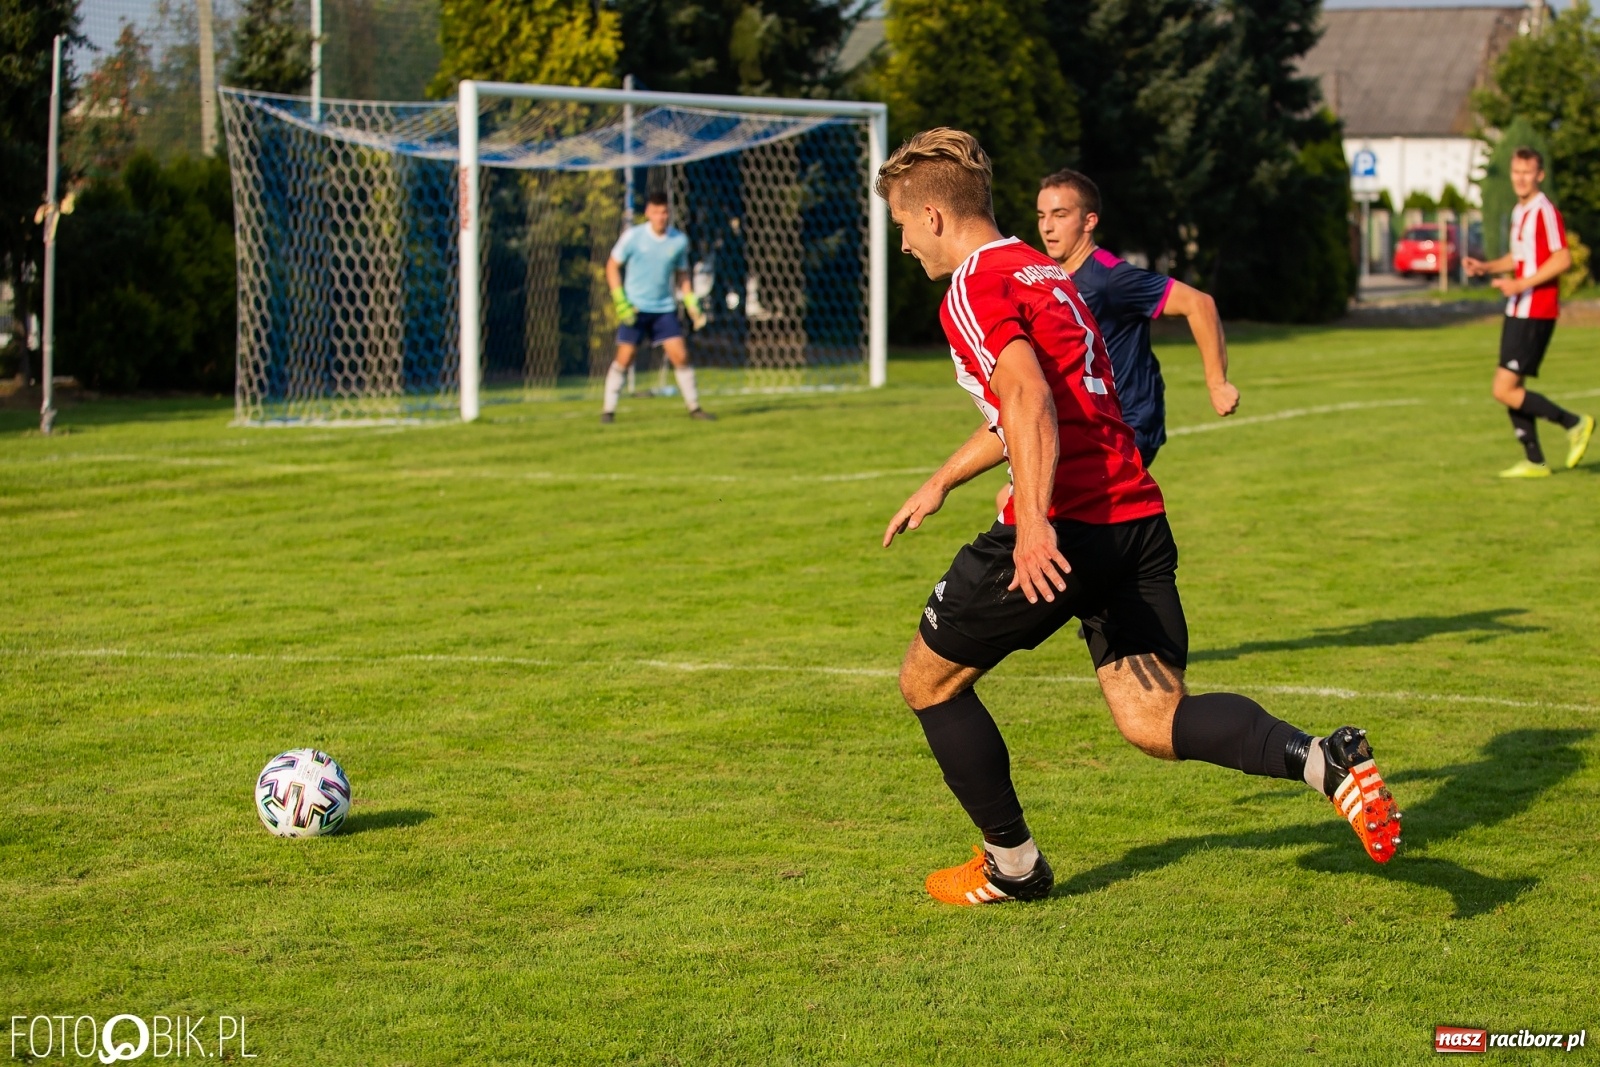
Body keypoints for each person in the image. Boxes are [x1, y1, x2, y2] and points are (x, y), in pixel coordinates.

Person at [875, 128, 1401, 907]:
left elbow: (1028, 398)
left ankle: (1012, 864)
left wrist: (1034, 525)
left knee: (928, 682)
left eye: (902, 226)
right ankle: (1325, 759)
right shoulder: (1041, 272)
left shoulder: (974, 286)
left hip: (1069, 526)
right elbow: (1040, 400)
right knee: (1156, 716)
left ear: (933, 215)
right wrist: (943, 479)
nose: (905, 244)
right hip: (1135, 520)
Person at [995, 169, 1237, 513]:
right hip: (1088, 427)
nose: (1047, 227)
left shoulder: (1111, 279)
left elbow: (1199, 304)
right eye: (1041, 216)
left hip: (1128, 427)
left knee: (1040, 510)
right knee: (1014, 505)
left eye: (1060, 215)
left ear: (1089, 221)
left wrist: (1217, 382)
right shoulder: (1055, 278)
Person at [1464, 148, 1593, 477]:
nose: (1521, 178)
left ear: (1540, 175)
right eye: (1516, 172)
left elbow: (1561, 259)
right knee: (1511, 387)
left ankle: (1574, 423)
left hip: (1537, 309)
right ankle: (1534, 460)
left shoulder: (1544, 211)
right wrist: (1487, 267)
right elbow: (1520, 257)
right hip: (1518, 308)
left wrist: (1522, 285)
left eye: (1528, 172)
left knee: (1503, 389)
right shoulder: (1520, 211)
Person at [601, 191, 714, 423]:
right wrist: (620, 300)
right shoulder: (633, 237)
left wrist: (691, 301)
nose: (661, 217)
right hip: (635, 308)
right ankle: (608, 411)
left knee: (680, 356)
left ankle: (694, 408)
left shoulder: (679, 240)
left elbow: (681, 274)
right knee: (625, 357)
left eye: (664, 212)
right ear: (648, 213)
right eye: (656, 212)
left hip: (664, 309)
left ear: (669, 214)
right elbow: (612, 266)